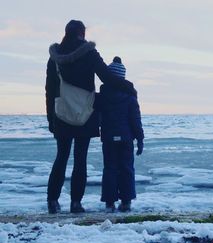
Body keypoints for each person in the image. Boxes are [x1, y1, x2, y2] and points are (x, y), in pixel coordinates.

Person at [45, 20, 136, 214]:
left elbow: (50, 90)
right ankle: (76, 204)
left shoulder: (55, 57)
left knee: (61, 157)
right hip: (85, 113)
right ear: (82, 34)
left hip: (61, 114)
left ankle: (53, 201)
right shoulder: (89, 53)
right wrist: (129, 88)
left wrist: (50, 119)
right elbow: (107, 77)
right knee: (80, 159)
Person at [96, 56, 144, 212]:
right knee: (126, 168)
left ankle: (109, 202)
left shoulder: (102, 96)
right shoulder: (130, 97)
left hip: (109, 138)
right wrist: (140, 139)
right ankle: (126, 201)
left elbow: (96, 116)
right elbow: (135, 120)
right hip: (126, 138)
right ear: (123, 77)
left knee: (109, 168)